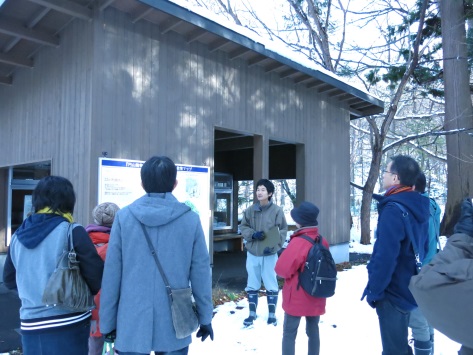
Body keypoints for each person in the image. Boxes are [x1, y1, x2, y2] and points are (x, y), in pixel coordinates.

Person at [99, 156, 214, 355]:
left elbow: (112, 275)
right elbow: (201, 274)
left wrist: (107, 322)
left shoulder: (124, 218)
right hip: (174, 320)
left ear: (142, 184)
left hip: (131, 320)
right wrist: (205, 318)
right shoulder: (190, 220)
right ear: (175, 183)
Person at [2, 176, 104, 355]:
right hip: (70, 321)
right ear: (68, 201)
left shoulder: (17, 236)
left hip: (30, 323)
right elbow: (96, 277)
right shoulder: (72, 231)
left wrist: (34, 292)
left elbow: (9, 280)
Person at [361, 155, 429, 355]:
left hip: (392, 291)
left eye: (386, 171)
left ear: (396, 178)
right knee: (399, 347)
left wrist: (375, 290)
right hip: (409, 286)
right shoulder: (417, 205)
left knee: (393, 350)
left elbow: (385, 256)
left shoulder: (393, 209)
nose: (383, 175)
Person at [275, 201, 328, 355]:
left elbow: (282, 270)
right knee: (313, 332)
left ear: (300, 222)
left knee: (289, 334)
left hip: (297, 296)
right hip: (317, 293)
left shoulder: (299, 242)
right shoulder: (322, 240)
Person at [240, 178, 288, 326]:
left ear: (270, 193)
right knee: (252, 283)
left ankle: (272, 314)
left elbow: (283, 230)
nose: (259, 192)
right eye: (258, 189)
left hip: (269, 253)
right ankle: (252, 314)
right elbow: (243, 226)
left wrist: (274, 246)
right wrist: (252, 234)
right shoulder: (250, 210)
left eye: (263, 190)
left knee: (271, 282)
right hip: (253, 252)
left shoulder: (277, 211)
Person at [408, 172, 441, 355]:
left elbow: (419, 243)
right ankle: (430, 350)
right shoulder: (432, 205)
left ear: (412, 187)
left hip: (420, 270)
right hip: (432, 268)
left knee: (418, 318)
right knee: (427, 317)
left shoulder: (419, 210)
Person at [86, 202, 120, 355]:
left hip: (89, 308)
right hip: (117, 311)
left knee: (93, 348)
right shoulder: (121, 244)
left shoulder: (82, 242)